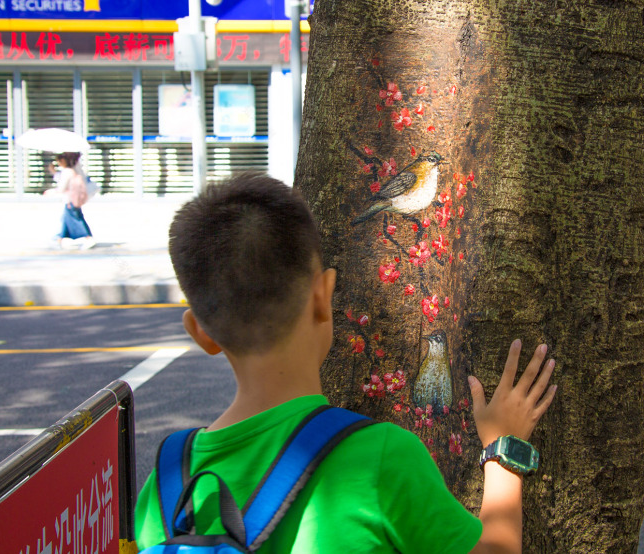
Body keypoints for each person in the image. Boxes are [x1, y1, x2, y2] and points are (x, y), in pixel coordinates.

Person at [134, 173, 558, 553]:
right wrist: (503, 450)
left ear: (200, 333)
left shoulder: (165, 487)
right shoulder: (380, 458)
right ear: (324, 296)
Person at [47, 152, 95, 250]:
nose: (58, 163)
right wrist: (54, 172)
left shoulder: (67, 172)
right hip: (73, 200)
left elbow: (62, 187)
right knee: (67, 220)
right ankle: (58, 239)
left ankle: (88, 238)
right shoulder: (74, 170)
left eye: (59, 161)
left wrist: (51, 191)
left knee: (76, 220)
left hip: (70, 201)